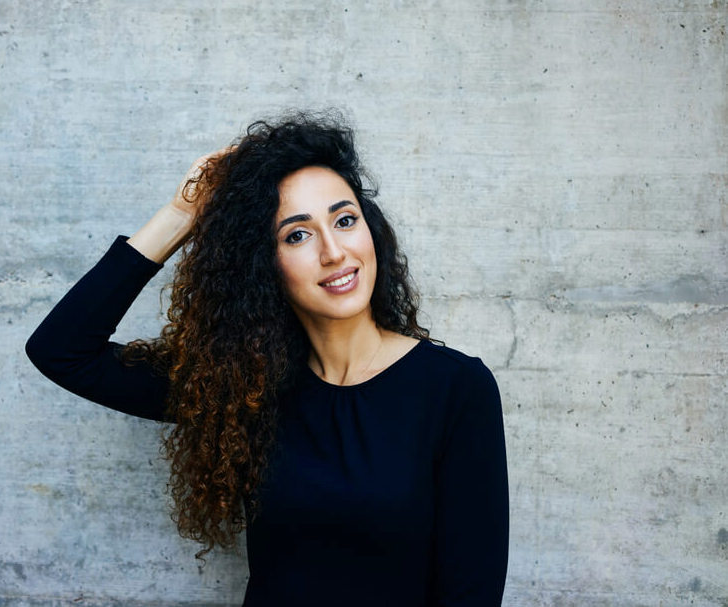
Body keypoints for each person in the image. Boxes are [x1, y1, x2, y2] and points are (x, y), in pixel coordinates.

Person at [26, 111, 509, 606]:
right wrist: (181, 215)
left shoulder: (455, 388)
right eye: (297, 235)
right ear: (264, 266)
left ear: (372, 231)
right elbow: (62, 351)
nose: (334, 252)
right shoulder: (243, 385)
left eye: (345, 220)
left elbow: (471, 593)